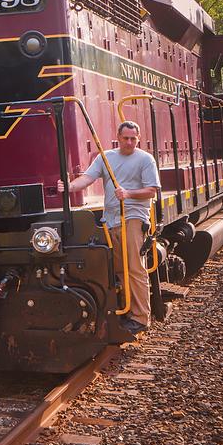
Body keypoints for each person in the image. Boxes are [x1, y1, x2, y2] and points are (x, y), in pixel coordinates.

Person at [58, 121, 161, 334]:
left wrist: (129, 194)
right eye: (126, 138)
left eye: (134, 138)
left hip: (133, 217)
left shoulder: (145, 159)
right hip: (111, 220)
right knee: (119, 269)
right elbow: (87, 178)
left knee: (134, 267)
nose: (130, 142)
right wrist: (69, 187)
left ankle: (141, 318)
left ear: (138, 138)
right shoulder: (106, 157)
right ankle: (125, 312)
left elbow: (152, 190)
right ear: (118, 137)